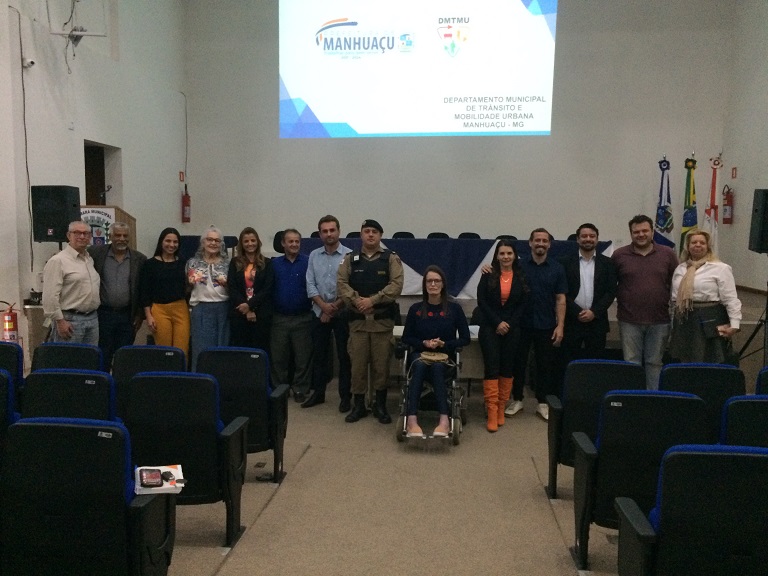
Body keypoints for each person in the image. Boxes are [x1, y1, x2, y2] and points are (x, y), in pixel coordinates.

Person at [337, 219, 404, 424]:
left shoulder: (391, 258)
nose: (371, 234)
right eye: (366, 231)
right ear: (361, 235)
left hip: (381, 325)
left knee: (381, 368)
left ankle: (380, 406)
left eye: (374, 231)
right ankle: (358, 406)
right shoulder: (349, 259)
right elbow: (341, 283)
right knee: (357, 368)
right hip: (357, 324)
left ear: (380, 235)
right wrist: (359, 302)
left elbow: (396, 285)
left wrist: (372, 301)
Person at [401, 266, 470, 437]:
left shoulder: (454, 309)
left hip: (445, 357)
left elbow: (465, 339)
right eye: (429, 281)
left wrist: (445, 344)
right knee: (419, 366)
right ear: (424, 285)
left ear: (443, 284)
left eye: (437, 281)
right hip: (420, 355)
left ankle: (444, 420)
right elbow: (406, 338)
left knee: (437, 367)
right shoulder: (415, 309)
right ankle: (411, 420)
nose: (433, 284)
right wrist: (423, 343)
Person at [612, 215, 678, 390]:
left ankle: (652, 399)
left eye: (644, 231)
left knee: (654, 363)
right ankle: (632, 399)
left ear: (652, 232)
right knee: (631, 362)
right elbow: (611, 284)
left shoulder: (667, 254)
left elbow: (675, 283)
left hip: (659, 320)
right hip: (629, 320)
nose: (641, 234)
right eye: (636, 232)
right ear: (631, 233)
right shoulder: (619, 255)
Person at [514, 228, 567, 421]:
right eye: (537, 240)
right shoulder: (518, 266)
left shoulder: (557, 268)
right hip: (521, 323)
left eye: (545, 241)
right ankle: (517, 399)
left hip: (546, 324)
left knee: (544, 365)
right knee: (518, 363)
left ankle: (542, 403)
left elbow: (561, 299)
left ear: (549, 245)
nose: (541, 244)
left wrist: (560, 326)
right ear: (530, 243)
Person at [476, 240, 528, 431]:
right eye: (502, 253)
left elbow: (523, 304)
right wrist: (497, 322)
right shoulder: (487, 274)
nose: (506, 257)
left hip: (512, 329)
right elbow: (482, 301)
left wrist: (509, 324)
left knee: (507, 368)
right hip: (490, 327)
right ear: (496, 256)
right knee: (492, 368)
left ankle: (500, 408)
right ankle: (491, 410)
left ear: (514, 256)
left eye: (509, 253)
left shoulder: (521, 276)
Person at [304, 215, 353, 410]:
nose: (329, 234)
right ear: (320, 234)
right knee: (319, 355)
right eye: (324, 231)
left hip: (342, 312)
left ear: (339, 231)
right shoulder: (313, 256)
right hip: (319, 312)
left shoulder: (349, 255)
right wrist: (323, 306)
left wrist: (333, 308)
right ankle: (318, 393)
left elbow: (350, 286)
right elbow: (310, 284)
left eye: (332, 230)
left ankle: (345, 397)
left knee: (344, 356)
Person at [669, 230, 741, 363]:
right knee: (683, 358)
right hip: (683, 320)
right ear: (688, 246)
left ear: (708, 246)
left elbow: (730, 299)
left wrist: (734, 324)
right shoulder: (681, 268)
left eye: (702, 242)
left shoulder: (720, 268)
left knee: (709, 358)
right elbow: (674, 298)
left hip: (709, 320)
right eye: (694, 242)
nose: (698, 245)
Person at [88, 222, 147, 369]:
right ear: (110, 236)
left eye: (125, 235)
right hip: (103, 314)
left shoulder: (139, 259)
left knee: (124, 355)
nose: (121, 239)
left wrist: (140, 314)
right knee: (103, 353)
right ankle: (103, 381)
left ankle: (120, 383)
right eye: (118, 235)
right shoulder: (96, 253)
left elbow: (142, 288)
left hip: (127, 316)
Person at [559, 223, 617, 363]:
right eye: (584, 236)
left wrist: (594, 312)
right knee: (568, 362)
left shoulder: (608, 263)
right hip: (572, 321)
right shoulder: (564, 262)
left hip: (597, 322)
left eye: (592, 236)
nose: (588, 239)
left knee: (595, 364)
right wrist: (577, 312)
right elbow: (561, 292)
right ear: (578, 239)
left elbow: (611, 292)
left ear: (597, 239)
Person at [270, 229, 313, 403]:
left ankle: (300, 389)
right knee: (278, 358)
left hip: (303, 317)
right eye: (290, 241)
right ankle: (280, 389)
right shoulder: (274, 264)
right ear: (283, 243)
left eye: (297, 241)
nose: (294, 244)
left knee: (303, 358)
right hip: (279, 318)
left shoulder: (308, 262)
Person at [42, 220, 100, 345]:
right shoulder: (58, 261)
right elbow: (50, 296)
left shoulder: (89, 259)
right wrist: (60, 321)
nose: (82, 236)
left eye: (86, 233)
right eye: (77, 233)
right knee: (69, 356)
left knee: (90, 357)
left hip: (92, 319)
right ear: (69, 236)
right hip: (69, 320)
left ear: (90, 236)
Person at [140, 227, 190, 359]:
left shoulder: (184, 263)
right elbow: (145, 291)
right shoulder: (149, 264)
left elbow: (188, 287)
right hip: (159, 309)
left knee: (182, 350)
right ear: (161, 242)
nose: (171, 245)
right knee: (164, 350)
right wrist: (148, 316)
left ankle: (180, 372)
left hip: (180, 308)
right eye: (168, 241)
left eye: (175, 242)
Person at [186, 226, 230, 371]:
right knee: (201, 351)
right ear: (203, 242)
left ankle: (220, 382)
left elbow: (235, 289)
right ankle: (200, 381)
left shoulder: (229, 264)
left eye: (217, 240)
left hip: (223, 309)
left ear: (221, 244)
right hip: (201, 309)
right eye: (209, 239)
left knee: (222, 350)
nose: (213, 243)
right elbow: (186, 289)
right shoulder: (192, 263)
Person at [228, 227, 274, 352]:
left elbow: (267, 288)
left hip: (261, 315)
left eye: (253, 240)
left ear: (258, 242)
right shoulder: (234, 262)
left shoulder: (267, 263)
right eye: (246, 241)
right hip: (239, 314)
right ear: (241, 244)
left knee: (259, 351)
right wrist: (246, 309)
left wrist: (250, 306)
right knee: (241, 351)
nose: (250, 244)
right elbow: (232, 287)